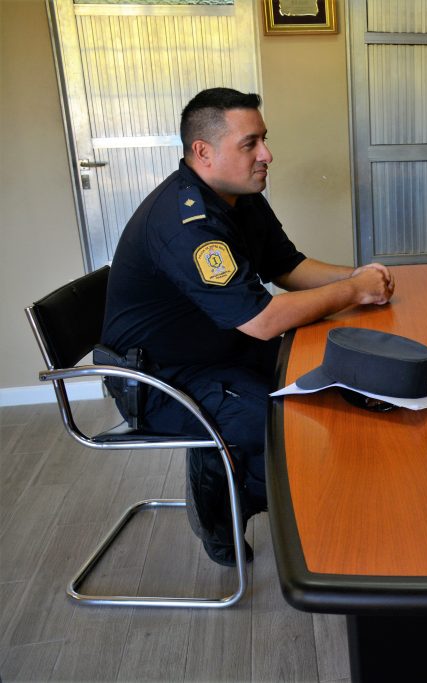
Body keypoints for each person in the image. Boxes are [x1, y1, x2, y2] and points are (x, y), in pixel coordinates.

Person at [99, 88, 395, 565]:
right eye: (250, 143)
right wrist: (353, 291)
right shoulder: (185, 223)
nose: (267, 155)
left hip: (219, 348)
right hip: (162, 380)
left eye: (264, 140)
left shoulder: (239, 195)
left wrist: (358, 277)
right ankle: (219, 503)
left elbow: (288, 266)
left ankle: (257, 482)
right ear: (203, 152)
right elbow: (261, 321)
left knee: (341, 382)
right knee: (289, 434)